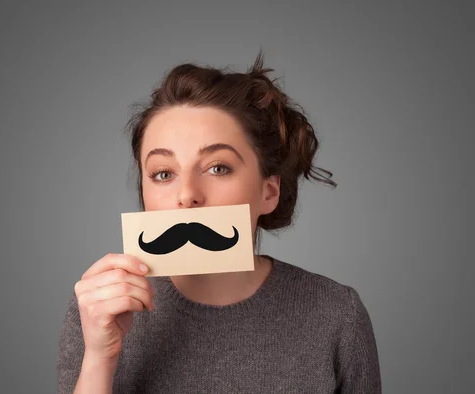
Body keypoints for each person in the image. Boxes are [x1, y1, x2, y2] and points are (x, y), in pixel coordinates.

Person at [56, 51, 382, 393]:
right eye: (163, 173)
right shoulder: (98, 309)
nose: (187, 195)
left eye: (218, 168)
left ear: (268, 192)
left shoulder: (335, 314)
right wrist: (99, 356)